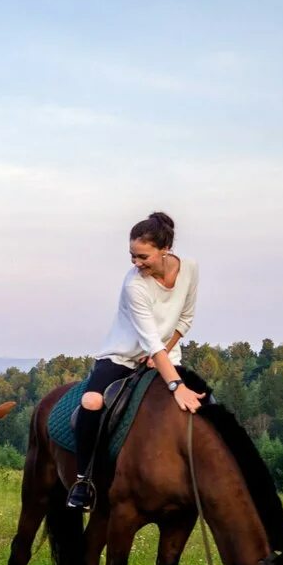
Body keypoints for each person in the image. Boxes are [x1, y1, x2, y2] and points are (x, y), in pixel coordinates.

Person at [66, 212, 203, 510]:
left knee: (203, 405)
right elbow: (148, 341)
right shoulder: (134, 285)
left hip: (164, 355)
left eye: (143, 256)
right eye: (132, 256)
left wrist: (165, 353)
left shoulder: (190, 269)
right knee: (91, 401)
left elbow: (185, 319)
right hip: (122, 356)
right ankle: (83, 480)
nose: (136, 263)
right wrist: (176, 384)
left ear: (164, 249)